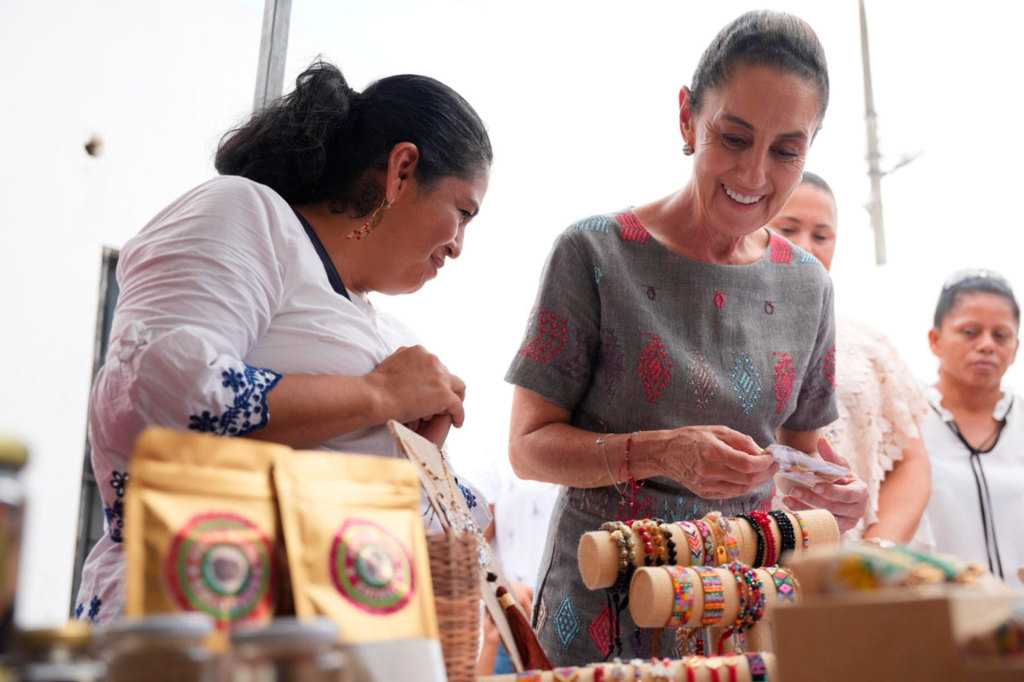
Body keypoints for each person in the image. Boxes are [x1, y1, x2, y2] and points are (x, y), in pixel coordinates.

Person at [504, 11, 868, 664]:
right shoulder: (594, 253)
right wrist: (661, 452)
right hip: (599, 608)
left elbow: (801, 450)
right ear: (686, 119)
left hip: (739, 610)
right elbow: (528, 449)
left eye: (787, 150)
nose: (756, 174)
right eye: (733, 138)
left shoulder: (807, 284)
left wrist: (829, 490)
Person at [74, 60, 492, 623]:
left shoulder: (386, 331)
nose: (460, 246)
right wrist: (377, 397)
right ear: (401, 170)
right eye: (463, 212)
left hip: (320, 644)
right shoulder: (248, 215)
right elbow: (154, 386)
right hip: (191, 622)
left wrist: (420, 462)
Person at [767, 173, 931, 544]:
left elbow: (910, 460)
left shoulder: (871, 346)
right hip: (731, 567)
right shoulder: (706, 330)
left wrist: (876, 552)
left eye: (821, 235)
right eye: (788, 228)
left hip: (848, 570)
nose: (805, 246)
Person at [920, 270, 1023, 588]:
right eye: (970, 332)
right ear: (935, 340)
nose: (986, 345)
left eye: (1001, 335)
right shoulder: (906, 421)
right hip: (939, 621)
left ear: (1016, 348)